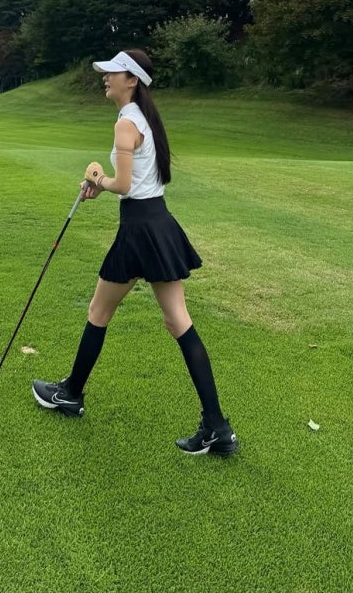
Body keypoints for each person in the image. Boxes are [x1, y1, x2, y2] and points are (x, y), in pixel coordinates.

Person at [32, 49, 238, 455]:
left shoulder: (126, 124)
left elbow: (124, 185)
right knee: (178, 320)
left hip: (139, 229)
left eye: (114, 72)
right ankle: (217, 426)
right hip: (158, 223)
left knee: (99, 311)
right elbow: (137, 183)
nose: (106, 78)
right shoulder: (144, 119)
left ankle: (70, 394)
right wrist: (102, 185)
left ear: (132, 80)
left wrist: (98, 177)